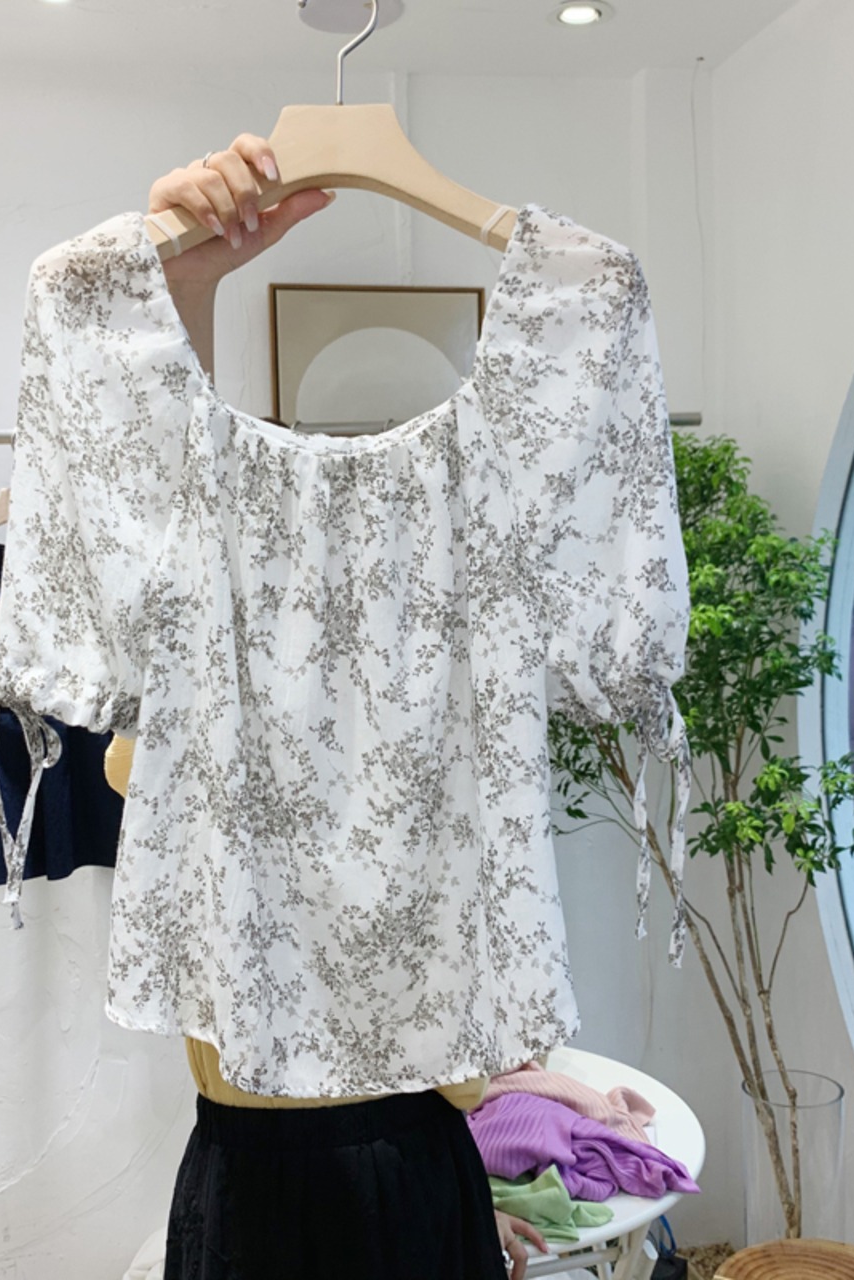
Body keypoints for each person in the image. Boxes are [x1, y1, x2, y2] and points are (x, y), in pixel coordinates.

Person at [120, 135, 550, 1280]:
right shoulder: (215, 661)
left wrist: (475, 1167)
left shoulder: (453, 680)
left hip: (405, 1153)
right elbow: (160, 504)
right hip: (275, 1167)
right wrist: (186, 276)